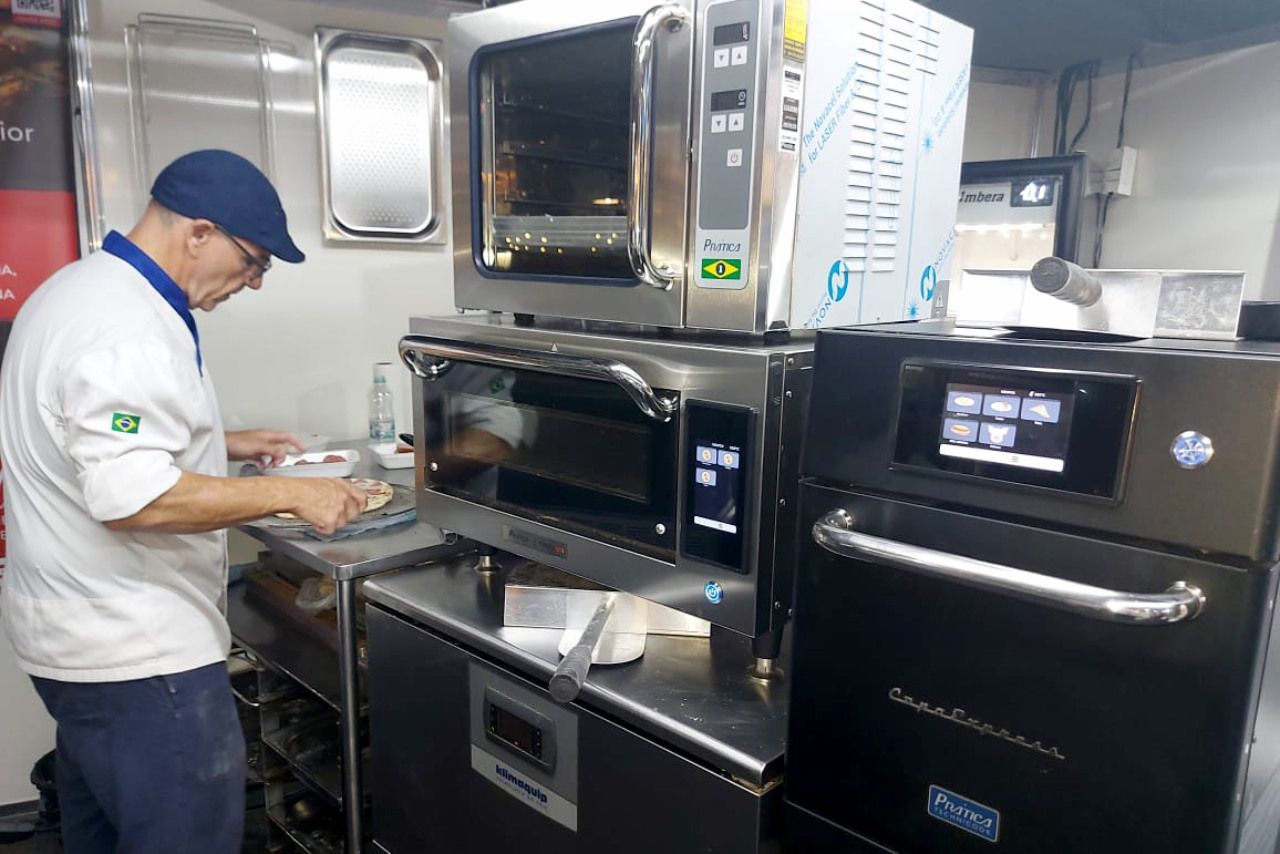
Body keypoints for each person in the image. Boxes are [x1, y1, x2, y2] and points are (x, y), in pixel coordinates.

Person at [0, 149, 369, 853]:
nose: (255, 283)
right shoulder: (127, 330)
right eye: (254, 260)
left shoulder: (77, 290)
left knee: (103, 835)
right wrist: (292, 493)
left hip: (70, 643)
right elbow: (131, 497)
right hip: (139, 657)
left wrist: (218, 442)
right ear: (199, 232)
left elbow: (90, 433)